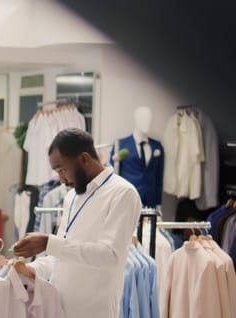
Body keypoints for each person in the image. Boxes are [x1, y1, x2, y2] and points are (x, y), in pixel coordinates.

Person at [13, 128, 142, 318]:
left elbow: (110, 255)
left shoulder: (122, 193)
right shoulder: (72, 196)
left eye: (62, 170)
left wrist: (49, 243)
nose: (61, 179)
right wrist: (30, 269)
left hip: (94, 312)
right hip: (58, 308)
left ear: (84, 159)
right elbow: (63, 254)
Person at [110, 106, 165, 208]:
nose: (147, 122)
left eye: (149, 119)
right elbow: (114, 176)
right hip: (127, 198)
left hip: (150, 200)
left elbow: (159, 178)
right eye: (143, 118)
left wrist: (158, 203)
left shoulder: (157, 147)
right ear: (136, 119)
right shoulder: (120, 145)